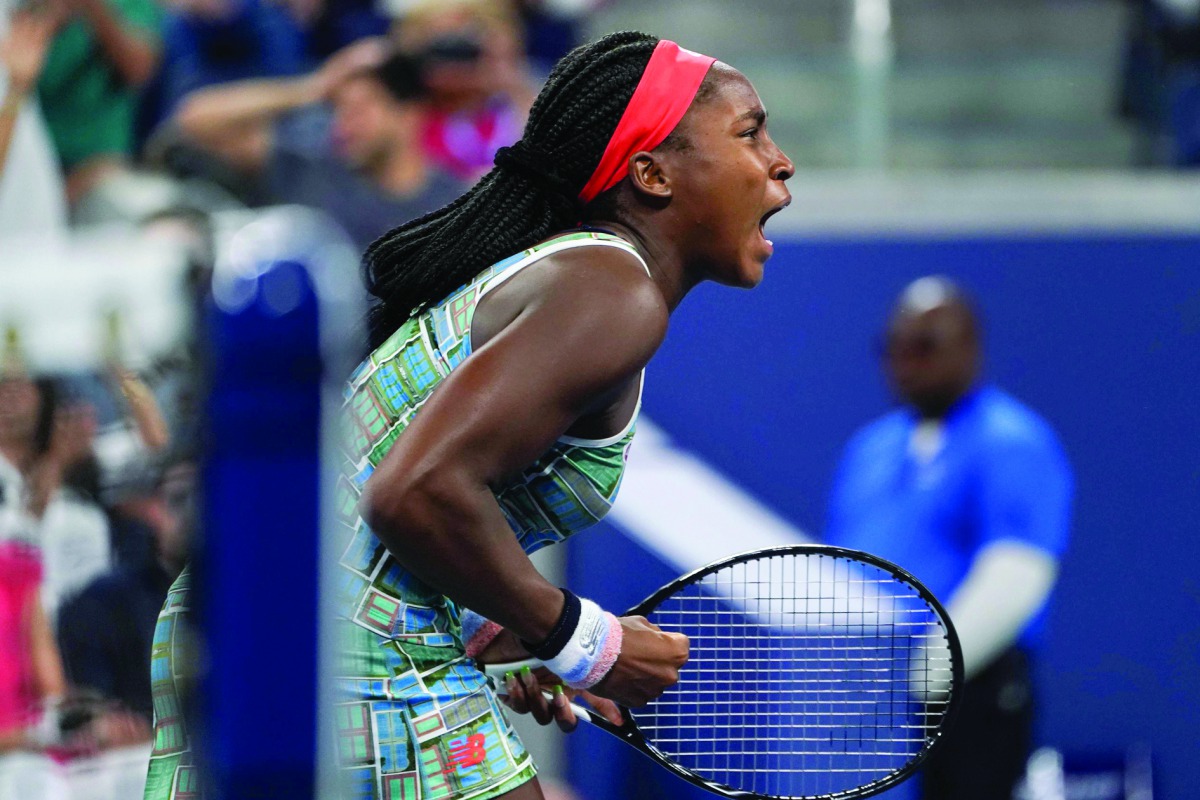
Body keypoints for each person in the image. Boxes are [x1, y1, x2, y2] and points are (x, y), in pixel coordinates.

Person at [144, 29, 794, 800]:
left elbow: (380, 487)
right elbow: (410, 490)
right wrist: (585, 642)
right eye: (750, 131)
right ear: (651, 173)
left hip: (265, 609)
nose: (779, 159)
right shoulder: (612, 294)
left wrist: (495, 630)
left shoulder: (576, 276)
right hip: (352, 641)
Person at [824, 276, 1074, 800]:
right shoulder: (868, 448)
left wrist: (923, 677)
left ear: (971, 348)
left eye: (926, 347)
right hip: (869, 700)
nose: (906, 362)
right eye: (893, 348)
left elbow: (1015, 579)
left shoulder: (1012, 441)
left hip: (965, 696)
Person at [169, 39, 466, 251]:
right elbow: (193, 121)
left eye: (358, 111)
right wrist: (312, 88)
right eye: (337, 110)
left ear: (409, 115)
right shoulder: (309, 170)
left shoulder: (452, 205)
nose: (342, 125)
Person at [36, 0, 162, 209]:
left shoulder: (131, 5)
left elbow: (140, 71)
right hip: (27, 164)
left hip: (98, 166)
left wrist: (94, 8)